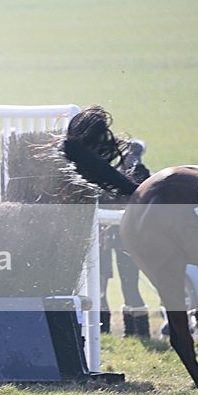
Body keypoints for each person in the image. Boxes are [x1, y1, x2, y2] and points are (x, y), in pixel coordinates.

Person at [64, 105, 150, 337]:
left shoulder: (73, 152)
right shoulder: (79, 155)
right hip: (104, 234)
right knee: (104, 286)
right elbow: (112, 179)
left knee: (124, 286)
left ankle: (131, 332)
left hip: (114, 235)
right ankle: (103, 330)